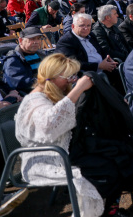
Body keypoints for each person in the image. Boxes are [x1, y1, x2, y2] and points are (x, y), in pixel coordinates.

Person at [15, 53, 107, 217]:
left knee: (109, 155)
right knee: (102, 168)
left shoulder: (51, 93)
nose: (72, 80)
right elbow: (50, 127)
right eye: (69, 76)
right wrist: (78, 89)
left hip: (61, 152)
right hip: (43, 160)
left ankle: (108, 207)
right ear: (52, 76)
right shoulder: (35, 101)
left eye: (73, 76)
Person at [1, 27, 48, 94]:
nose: (36, 42)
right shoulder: (13, 59)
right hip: (31, 94)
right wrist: (46, 82)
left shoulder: (42, 54)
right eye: (32, 39)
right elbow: (20, 82)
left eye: (38, 38)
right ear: (20, 40)